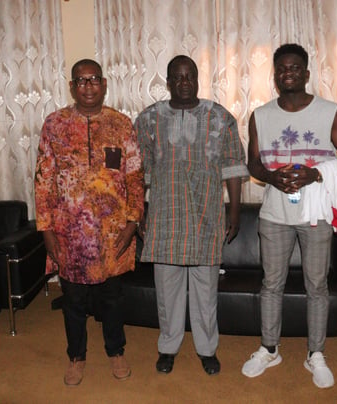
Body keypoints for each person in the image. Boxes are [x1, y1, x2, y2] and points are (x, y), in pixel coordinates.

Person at [242, 44, 337, 388]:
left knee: (317, 285)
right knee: (271, 284)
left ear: (306, 74)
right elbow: (253, 163)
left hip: (316, 214)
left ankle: (316, 354)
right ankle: (269, 349)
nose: (287, 73)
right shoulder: (260, 116)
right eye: (281, 69)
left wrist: (317, 174)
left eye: (294, 68)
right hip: (274, 215)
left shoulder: (329, 111)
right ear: (275, 75)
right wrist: (270, 177)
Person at [135, 55, 249, 375]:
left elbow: (233, 168)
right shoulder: (149, 119)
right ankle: (168, 346)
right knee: (167, 290)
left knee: (205, 291)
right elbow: (136, 172)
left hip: (206, 215)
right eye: (178, 77)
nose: (185, 82)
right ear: (168, 82)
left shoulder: (220, 117)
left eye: (190, 76)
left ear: (198, 80)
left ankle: (206, 349)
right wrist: (137, 212)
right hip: (164, 216)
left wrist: (235, 213)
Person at [34, 59, 144, 386]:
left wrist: (132, 223)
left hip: (112, 233)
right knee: (73, 301)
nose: (88, 86)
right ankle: (76, 356)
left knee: (112, 298)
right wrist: (46, 231)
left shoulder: (121, 124)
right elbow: (43, 181)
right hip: (69, 234)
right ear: (72, 87)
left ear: (104, 83)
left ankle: (116, 350)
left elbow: (136, 178)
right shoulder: (54, 124)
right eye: (81, 81)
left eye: (94, 79)